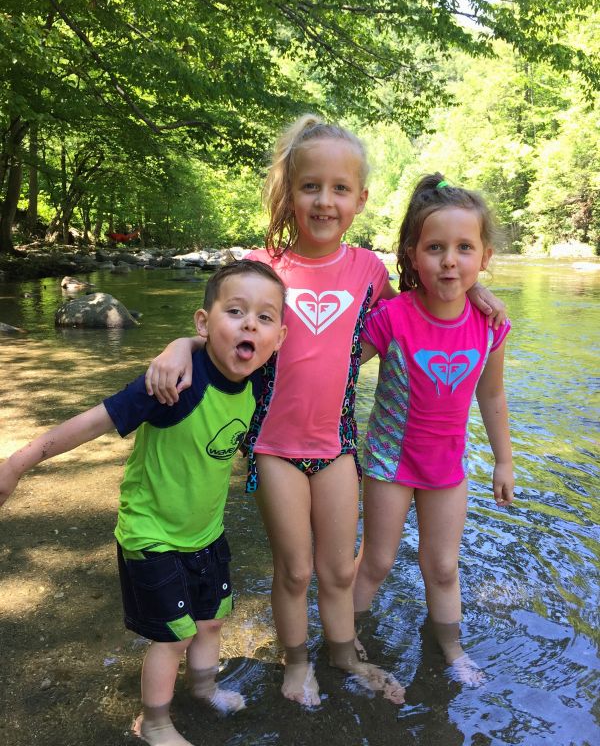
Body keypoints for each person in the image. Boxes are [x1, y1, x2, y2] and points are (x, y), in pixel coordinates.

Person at [143, 116, 506, 708]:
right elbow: (218, 330)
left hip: (338, 446)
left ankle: (344, 652)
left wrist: (477, 292)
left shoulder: (369, 271)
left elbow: (426, 308)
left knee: (339, 572)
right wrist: (177, 346)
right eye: (311, 186)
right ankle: (296, 661)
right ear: (289, 192)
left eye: (341, 189)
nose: (325, 200)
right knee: (296, 571)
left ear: (360, 199)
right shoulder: (263, 268)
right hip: (273, 445)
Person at [0, 260, 288, 746]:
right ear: (203, 322)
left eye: (264, 318)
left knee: (212, 619)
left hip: (205, 532)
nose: (249, 325)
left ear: (278, 337)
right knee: (172, 636)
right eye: (235, 311)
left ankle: (203, 689)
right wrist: (20, 462)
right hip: (150, 533)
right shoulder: (172, 383)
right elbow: (93, 422)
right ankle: (153, 723)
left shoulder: (261, 379)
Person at [352, 174, 514, 686]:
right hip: (388, 463)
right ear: (413, 255)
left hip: (447, 467)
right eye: (436, 247)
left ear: (484, 256)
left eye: (464, 248)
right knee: (375, 561)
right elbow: (338, 365)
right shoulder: (392, 317)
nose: (450, 260)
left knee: (442, 567)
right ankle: (344, 638)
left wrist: (505, 461)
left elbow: (491, 394)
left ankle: (452, 650)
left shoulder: (489, 325)